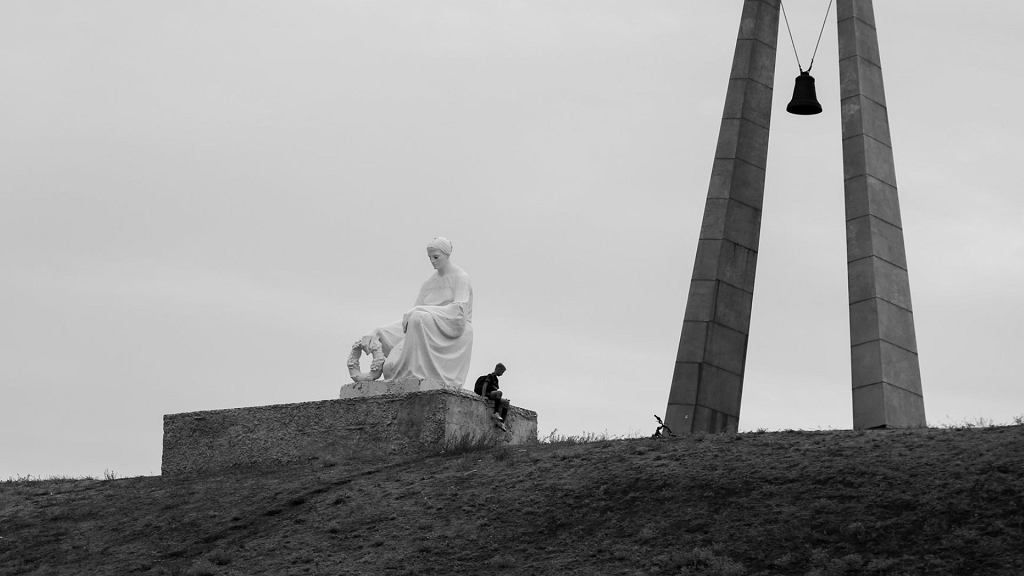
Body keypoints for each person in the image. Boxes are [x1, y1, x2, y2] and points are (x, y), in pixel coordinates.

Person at [372, 237, 474, 387]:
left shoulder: (461, 277)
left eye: (436, 257)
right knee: (390, 364)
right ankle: (408, 374)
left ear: (447, 255)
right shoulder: (429, 283)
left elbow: (458, 312)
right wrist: (379, 331)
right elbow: (408, 320)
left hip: (452, 330)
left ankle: (417, 371)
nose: (432, 261)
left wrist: (421, 309)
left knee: (418, 317)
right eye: (430, 258)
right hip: (425, 326)